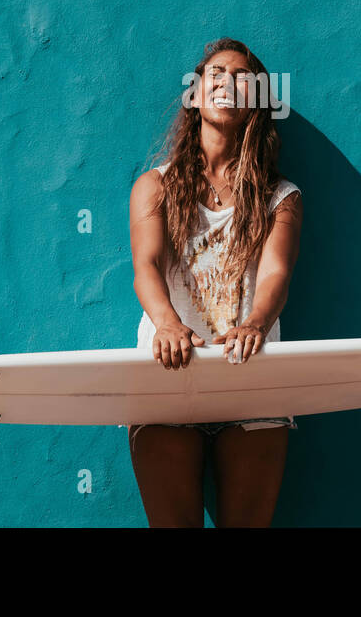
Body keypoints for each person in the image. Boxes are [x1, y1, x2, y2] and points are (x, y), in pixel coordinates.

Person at [126, 37, 304, 527]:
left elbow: (276, 273)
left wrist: (257, 323)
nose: (228, 81)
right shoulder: (155, 185)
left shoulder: (280, 196)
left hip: (254, 379)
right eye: (216, 73)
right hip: (166, 378)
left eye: (242, 76)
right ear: (195, 94)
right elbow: (146, 266)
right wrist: (166, 324)